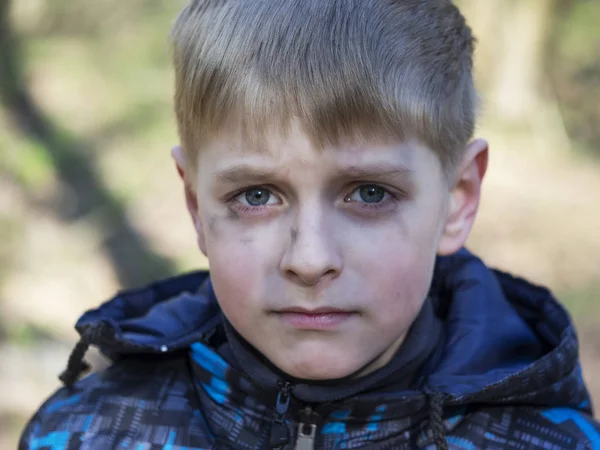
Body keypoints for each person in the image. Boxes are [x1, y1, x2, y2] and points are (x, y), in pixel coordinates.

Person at [19, 0, 600, 449]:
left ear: (458, 199)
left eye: (370, 193)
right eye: (256, 195)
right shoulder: (86, 432)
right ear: (196, 205)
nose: (310, 258)